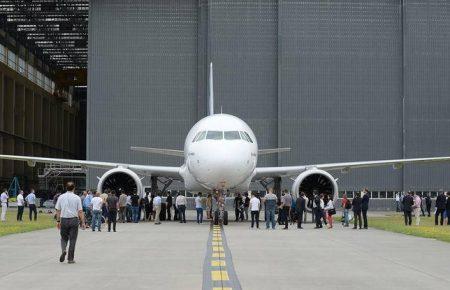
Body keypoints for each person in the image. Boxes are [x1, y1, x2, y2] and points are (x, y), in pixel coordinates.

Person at [55, 182, 85, 264]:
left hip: (64, 219)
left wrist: (58, 221)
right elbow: (80, 211)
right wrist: (83, 222)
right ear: (74, 188)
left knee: (63, 238)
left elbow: (58, 210)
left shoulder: (61, 197)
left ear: (66, 188)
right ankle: (70, 259)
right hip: (73, 220)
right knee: (73, 239)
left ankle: (64, 250)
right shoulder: (77, 198)